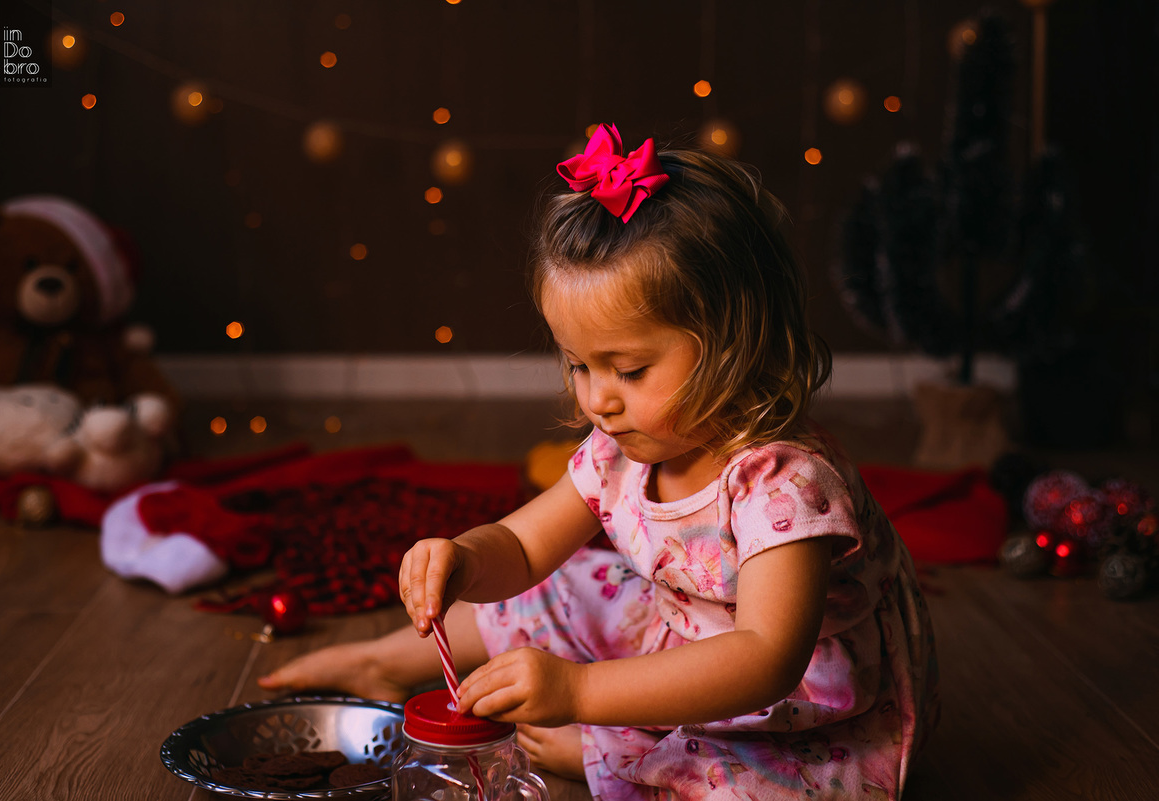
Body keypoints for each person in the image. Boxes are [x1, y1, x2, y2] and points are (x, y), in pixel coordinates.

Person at [259, 124, 940, 800]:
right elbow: (524, 548)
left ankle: (606, 752)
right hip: (679, 630)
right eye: (579, 364)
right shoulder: (622, 445)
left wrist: (577, 691)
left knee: (738, 786)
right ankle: (384, 661)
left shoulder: (781, 481)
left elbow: (764, 657)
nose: (597, 399)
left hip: (801, 706)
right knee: (554, 588)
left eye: (630, 369)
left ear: (738, 342)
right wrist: (463, 557)